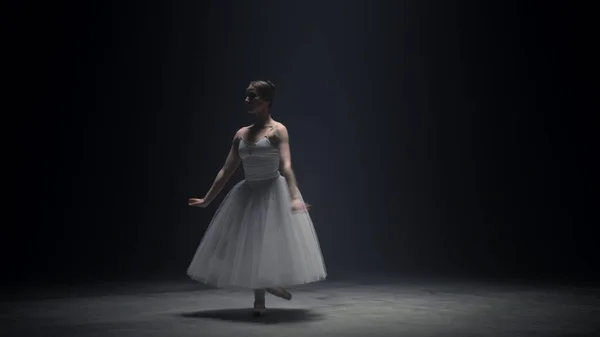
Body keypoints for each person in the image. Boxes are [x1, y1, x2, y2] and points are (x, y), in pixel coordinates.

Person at [187, 80, 327, 316]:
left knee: (265, 243)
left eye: (252, 96)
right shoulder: (241, 134)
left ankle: (265, 291)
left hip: (273, 191)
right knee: (249, 245)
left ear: (266, 100)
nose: (247, 101)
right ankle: (262, 294)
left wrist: (293, 197)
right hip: (248, 192)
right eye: (246, 96)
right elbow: (226, 170)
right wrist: (207, 199)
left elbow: (287, 166)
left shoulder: (278, 130)